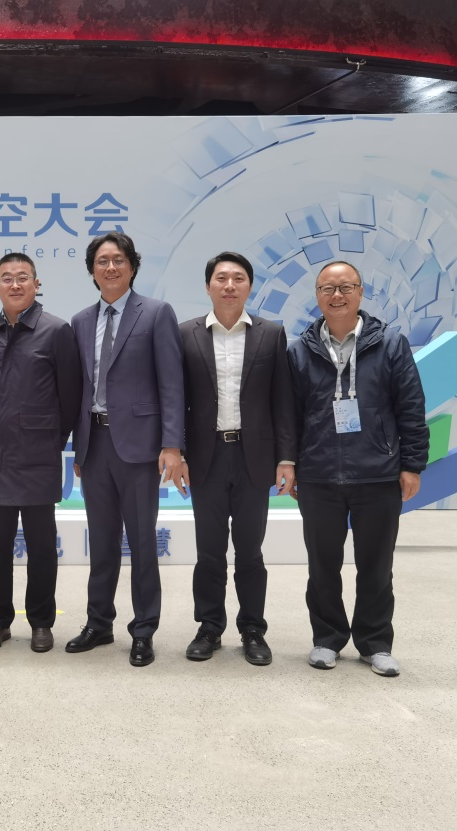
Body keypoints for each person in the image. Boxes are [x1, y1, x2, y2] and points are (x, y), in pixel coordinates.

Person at [288, 261, 428, 677]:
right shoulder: (299, 350)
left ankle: (375, 643)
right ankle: (327, 638)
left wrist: (412, 464)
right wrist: (291, 463)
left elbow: (410, 407)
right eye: (328, 289)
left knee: (376, 566)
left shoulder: (391, 344)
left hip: (378, 472)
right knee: (322, 566)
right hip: (318, 474)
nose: (337, 295)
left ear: (361, 292)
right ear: (317, 296)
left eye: (346, 287)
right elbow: (288, 416)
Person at [67, 232, 186, 667]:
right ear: (92, 270)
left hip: (140, 447)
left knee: (141, 542)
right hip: (95, 444)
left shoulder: (155, 313)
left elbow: (171, 383)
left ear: (132, 267)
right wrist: (78, 447)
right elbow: (78, 388)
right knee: (101, 543)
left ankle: (144, 630)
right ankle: (99, 623)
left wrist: (172, 444)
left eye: (118, 260)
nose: (111, 267)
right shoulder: (81, 321)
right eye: (102, 261)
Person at [179, 252, 297, 666]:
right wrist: (177, 452)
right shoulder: (186, 333)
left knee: (250, 552)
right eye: (221, 278)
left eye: (238, 278)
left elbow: (283, 401)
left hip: (254, 458)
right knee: (209, 552)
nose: (229, 285)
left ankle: (252, 629)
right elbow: (176, 401)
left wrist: (286, 458)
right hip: (205, 457)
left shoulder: (271, 333)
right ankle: (209, 627)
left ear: (249, 286)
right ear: (208, 285)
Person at [0, 253, 82, 653]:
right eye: (7, 278)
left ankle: (41, 621)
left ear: (36, 284)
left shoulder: (56, 330)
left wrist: (51, 438)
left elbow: (70, 395)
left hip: (39, 455)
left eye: (23, 277)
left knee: (41, 546)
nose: (15, 284)